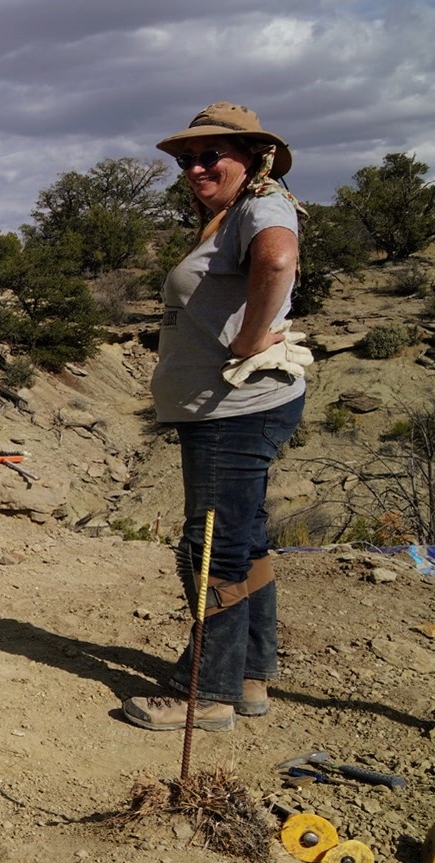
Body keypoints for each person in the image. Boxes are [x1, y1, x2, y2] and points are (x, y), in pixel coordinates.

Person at [123, 103, 308, 732]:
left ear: (252, 157)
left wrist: (253, 337)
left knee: (211, 547)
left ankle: (209, 692)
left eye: (211, 156)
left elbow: (278, 259)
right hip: (226, 411)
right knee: (242, 537)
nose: (196, 167)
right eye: (186, 159)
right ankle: (250, 676)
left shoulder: (262, 205)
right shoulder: (231, 214)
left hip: (234, 409)